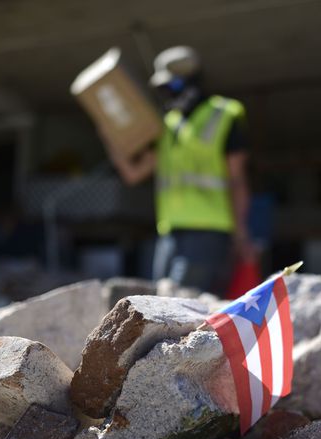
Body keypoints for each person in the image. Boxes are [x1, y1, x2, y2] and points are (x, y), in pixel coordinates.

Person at [104, 45, 254, 294]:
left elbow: (237, 179)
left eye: (170, 87)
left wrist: (242, 235)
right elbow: (134, 174)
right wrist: (111, 135)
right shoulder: (167, 125)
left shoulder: (225, 114)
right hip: (170, 233)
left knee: (181, 305)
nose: (166, 94)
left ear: (190, 81)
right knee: (160, 304)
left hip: (208, 232)